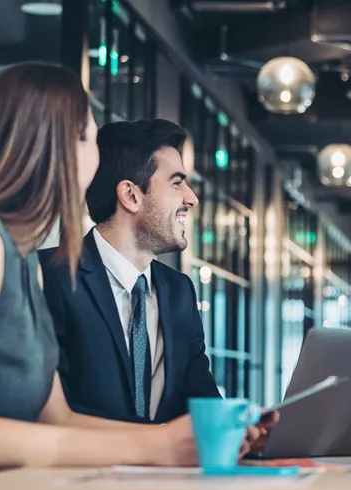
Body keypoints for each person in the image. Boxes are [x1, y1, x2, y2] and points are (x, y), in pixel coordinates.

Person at [0, 64, 205, 484]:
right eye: (86, 137)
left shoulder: (25, 259)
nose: (95, 155)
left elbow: (58, 417)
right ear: (49, 146)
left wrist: (184, 441)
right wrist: (157, 447)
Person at [42, 119, 233, 425]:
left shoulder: (178, 291)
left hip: (167, 474)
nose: (191, 198)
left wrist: (241, 429)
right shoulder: (50, 278)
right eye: (176, 182)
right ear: (131, 195)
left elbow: (200, 398)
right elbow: (52, 412)